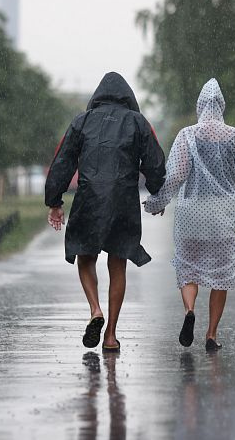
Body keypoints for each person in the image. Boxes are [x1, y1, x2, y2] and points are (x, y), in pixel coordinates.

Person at [45, 71, 166, 352]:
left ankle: (95, 309)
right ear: (129, 98)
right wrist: (158, 192)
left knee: (85, 256)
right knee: (117, 264)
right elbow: (155, 162)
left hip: (89, 199)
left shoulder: (82, 121)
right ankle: (110, 335)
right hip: (124, 201)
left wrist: (55, 201)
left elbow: (62, 161)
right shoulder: (138, 123)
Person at [144, 78, 235, 352]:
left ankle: (190, 310)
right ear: (222, 105)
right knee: (222, 274)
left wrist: (158, 201)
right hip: (224, 213)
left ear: (200, 105)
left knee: (188, 267)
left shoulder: (187, 135)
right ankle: (211, 334)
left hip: (191, 212)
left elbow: (176, 175)